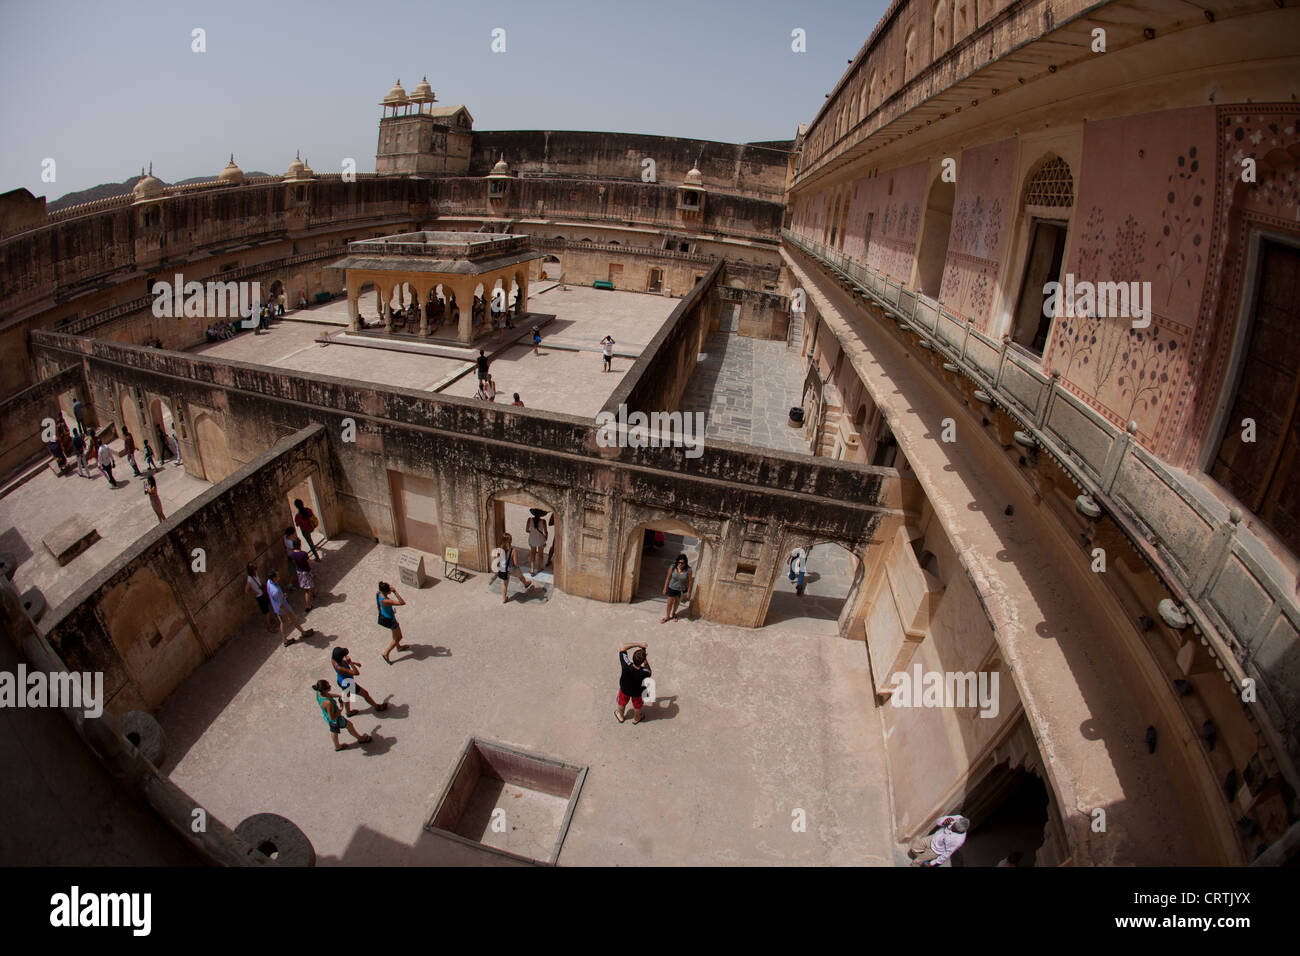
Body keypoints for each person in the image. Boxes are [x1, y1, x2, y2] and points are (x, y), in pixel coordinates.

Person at [312, 680, 371, 751]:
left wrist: (338, 696)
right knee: (349, 725)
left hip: (326, 716)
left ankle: (337, 746)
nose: (330, 686)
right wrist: (341, 708)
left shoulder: (319, 693)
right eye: (329, 686)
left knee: (333, 730)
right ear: (324, 690)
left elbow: (329, 695)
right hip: (336, 719)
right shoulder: (328, 703)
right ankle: (361, 739)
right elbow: (332, 717)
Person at [331, 646, 387, 716]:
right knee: (365, 694)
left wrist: (354, 663)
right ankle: (377, 707)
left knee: (347, 695)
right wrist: (350, 662)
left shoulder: (334, 660)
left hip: (341, 681)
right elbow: (356, 673)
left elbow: (343, 662)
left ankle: (348, 712)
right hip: (349, 683)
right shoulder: (340, 668)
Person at [266, 570, 314, 646]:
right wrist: (287, 615)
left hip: (277, 609)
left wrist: (282, 596)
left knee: (283, 623)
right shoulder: (276, 591)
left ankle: (285, 640)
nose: (279, 576)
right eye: (277, 575)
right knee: (294, 619)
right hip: (284, 609)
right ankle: (303, 633)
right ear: (274, 578)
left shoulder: (268, 582)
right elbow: (281, 605)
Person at [494, 533, 539, 604]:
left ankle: (504, 599)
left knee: (504, 584)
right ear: (510, 541)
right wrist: (518, 566)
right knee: (520, 575)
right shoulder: (513, 550)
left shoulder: (499, 549)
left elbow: (496, 559)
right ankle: (526, 583)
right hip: (512, 569)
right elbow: (515, 563)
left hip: (503, 569)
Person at [615, 642, 652, 725]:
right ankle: (636, 718)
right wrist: (645, 658)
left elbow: (622, 647)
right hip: (637, 692)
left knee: (621, 702)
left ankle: (620, 716)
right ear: (642, 661)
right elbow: (649, 670)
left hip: (624, 688)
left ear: (632, 658)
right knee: (637, 706)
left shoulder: (626, 665)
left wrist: (638, 644)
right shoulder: (644, 672)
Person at [375, 581, 407, 663]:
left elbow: (377, 601)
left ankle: (398, 647)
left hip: (386, 616)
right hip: (390, 620)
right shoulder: (386, 601)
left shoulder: (378, 593)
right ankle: (386, 653)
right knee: (398, 637)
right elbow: (402, 602)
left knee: (395, 635)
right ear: (387, 591)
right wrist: (395, 591)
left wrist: (379, 610)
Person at [662, 553, 692, 624]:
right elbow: (668, 578)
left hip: (681, 590)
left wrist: (688, 592)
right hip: (671, 588)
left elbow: (690, 582)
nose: (680, 564)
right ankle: (667, 616)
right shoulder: (672, 567)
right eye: (678, 562)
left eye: (682, 563)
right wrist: (665, 588)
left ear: (685, 563)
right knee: (669, 603)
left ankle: (674, 613)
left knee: (677, 603)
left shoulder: (688, 570)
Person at [245, 563, 276, 632]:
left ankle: (270, 620)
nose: (256, 570)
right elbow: (246, 591)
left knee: (268, 608)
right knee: (266, 612)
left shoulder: (255, 574)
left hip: (263, 594)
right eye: (254, 569)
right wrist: (254, 593)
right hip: (260, 596)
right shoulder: (250, 579)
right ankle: (269, 627)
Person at [289, 542, 317, 611]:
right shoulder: (303, 553)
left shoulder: (292, 554)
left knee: (310, 583)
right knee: (307, 590)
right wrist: (310, 569)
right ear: (300, 545)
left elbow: (294, 562)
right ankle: (307, 606)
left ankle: (314, 593)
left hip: (300, 572)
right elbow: (308, 562)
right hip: (306, 571)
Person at [282, 528, 300, 592]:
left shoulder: (285, 537)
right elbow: (293, 551)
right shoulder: (290, 543)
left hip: (289, 556)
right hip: (292, 557)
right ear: (291, 534)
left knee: (293, 571)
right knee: (295, 570)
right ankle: (290, 585)